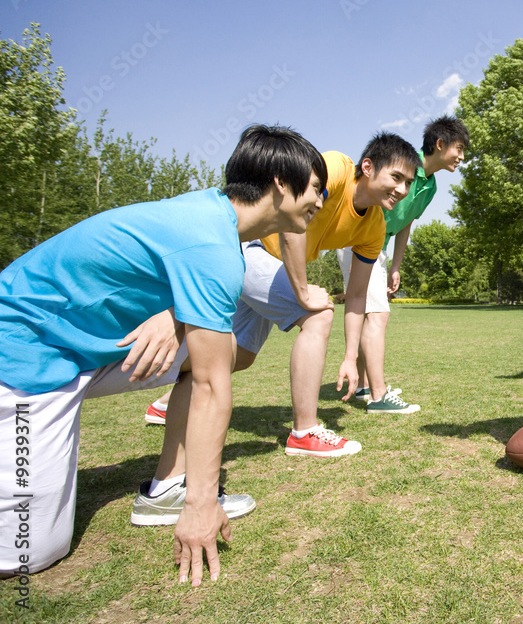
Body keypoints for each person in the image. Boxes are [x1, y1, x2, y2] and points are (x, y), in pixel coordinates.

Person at [0, 124, 326, 585]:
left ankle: (167, 486)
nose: (320, 201)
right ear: (280, 182)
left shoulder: (210, 217)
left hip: (85, 353)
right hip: (24, 352)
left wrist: (175, 316)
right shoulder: (214, 246)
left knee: (204, 351)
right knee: (26, 554)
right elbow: (214, 387)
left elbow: (162, 267)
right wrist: (203, 504)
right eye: (316, 188)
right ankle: (185, 495)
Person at [139, 132, 419, 481]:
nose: (403, 190)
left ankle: (168, 402)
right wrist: (302, 293)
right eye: (397, 177)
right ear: (368, 167)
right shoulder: (334, 167)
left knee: (237, 356)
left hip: (270, 268)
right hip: (250, 246)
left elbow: (358, 295)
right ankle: (304, 432)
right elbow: (291, 223)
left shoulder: (374, 227)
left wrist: (350, 356)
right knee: (317, 313)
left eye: (408, 183)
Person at [337, 115, 468, 413]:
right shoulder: (406, 164)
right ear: (440, 144)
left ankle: (363, 387)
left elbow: (406, 223)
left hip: (379, 248)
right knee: (378, 316)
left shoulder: (430, 186)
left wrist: (396, 265)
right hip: (358, 241)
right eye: (458, 148)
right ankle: (379, 396)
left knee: (372, 312)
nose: (461, 157)